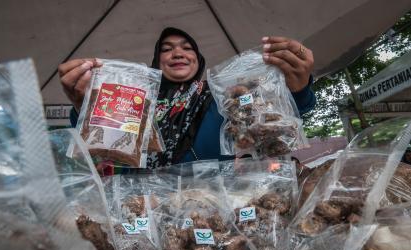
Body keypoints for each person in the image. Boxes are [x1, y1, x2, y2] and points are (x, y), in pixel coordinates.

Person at [58, 27, 316, 172]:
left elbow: (277, 121)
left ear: (198, 59)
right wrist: (83, 105)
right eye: (166, 49)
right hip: (142, 208)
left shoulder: (221, 96)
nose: (177, 53)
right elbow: (103, 141)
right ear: (157, 62)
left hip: (215, 209)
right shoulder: (136, 101)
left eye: (187, 47)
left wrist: (297, 87)